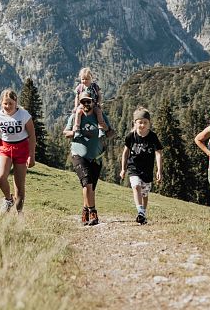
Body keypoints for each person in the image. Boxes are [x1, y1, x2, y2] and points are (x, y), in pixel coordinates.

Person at [64, 91, 112, 226]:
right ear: (80, 103)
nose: (86, 104)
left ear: (93, 102)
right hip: (78, 155)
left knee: (91, 187)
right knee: (87, 182)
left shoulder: (100, 115)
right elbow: (65, 132)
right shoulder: (75, 117)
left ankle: (85, 210)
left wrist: (106, 130)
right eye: (83, 101)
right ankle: (93, 212)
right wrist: (74, 132)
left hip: (96, 157)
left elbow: (109, 131)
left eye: (88, 101)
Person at [0, 88, 36, 213]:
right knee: (0, 178)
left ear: (16, 102)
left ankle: (19, 214)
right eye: (5, 103)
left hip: (22, 149)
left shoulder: (24, 115)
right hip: (5, 148)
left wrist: (31, 155)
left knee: (19, 187)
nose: (8, 106)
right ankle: (8, 199)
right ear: (1, 103)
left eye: (10, 103)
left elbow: (32, 135)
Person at [120, 107, 163, 225]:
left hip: (147, 169)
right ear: (135, 123)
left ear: (149, 123)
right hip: (133, 167)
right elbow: (125, 153)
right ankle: (140, 212)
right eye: (140, 122)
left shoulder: (152, 137)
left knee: (144, 193)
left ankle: (143, 214)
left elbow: (158, 152)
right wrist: (123, 169)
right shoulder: (131, 136)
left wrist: (159, 170)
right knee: (136, 186)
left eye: (145, 122)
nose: (142, 125)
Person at [73, 67, 106, 132]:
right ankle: (77, 127)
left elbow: (99, 95)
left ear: (91, 78)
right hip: (83, 105)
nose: (84, 81)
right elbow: (77, 97)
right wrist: (76, 106)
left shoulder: (94, 86)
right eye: (83, 79)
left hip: (93, 105)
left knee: (99, 112)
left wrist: (99, 103)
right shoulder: (80, 87)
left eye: (86, 79)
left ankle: (101, 126)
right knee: (78, 112)